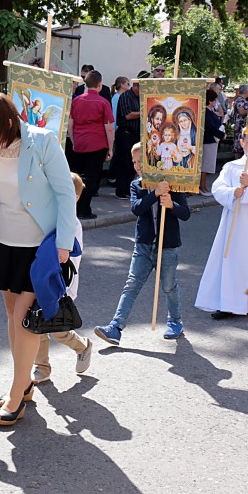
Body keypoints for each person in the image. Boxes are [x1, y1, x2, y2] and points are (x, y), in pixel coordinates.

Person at [0, 92, 78, 425]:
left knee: (23, 319)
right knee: (13, 315)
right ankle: (24, 382)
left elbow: (65, 192)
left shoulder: (43, 142)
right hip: (6, 241)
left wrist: (65, 243)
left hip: (38, 245)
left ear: (8, 123)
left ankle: (17, 395)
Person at [96, 142, 189, 343]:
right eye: (134, 161)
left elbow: (186, 213)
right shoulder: (136, 184)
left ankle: (175, 321)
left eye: (141, 161)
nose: (137, 165)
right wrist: (154, 194)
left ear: (152, 159)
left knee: (169, 286)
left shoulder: (172, 182)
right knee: (132, 284)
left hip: (168, 245)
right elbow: (136, 209)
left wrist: (172, 204)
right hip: (144, 245)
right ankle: (116, 326)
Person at [195, 134, 248, 318]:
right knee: (232, 260)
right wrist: (234, 192)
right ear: (242, 143)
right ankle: (229, 303)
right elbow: (218, 188)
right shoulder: (231, 167)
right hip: (234, 222)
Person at [32, 173, 93, 384]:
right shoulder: (51, 217)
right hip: (43, 279)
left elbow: (71, 259)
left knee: (57, 330)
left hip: (61, 284)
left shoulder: (72, 224)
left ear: (75, 197)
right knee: (38, 324)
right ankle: (42, 366)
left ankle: (83, 346)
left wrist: (61, 284)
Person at [68, 70, 114, 219]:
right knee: (91, 178)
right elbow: (109, 127)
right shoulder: (103, 102)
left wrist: (74, 141)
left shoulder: (76, 101)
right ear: (100, 85)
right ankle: (84, 209)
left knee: (77, 177)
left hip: (79, 143)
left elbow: (70, 124)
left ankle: (74, 208)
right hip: (97, 144)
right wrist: (110, 147)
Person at [113, 74, 143, 199]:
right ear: (136, 86)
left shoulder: (140, 97)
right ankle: (121, 190)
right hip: (126, 134)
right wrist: (144, 111)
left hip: (136, 134)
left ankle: (129, 189)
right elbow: (128, 115)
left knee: (133, 164)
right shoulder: (125, 96)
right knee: (124, 162)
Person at [201, 88, 225, 194]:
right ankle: (202, 186)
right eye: (215, 100)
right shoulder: (206, 111)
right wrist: (222, 135)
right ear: (210, 101)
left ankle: (203, 186)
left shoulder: (210, 111)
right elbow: (210, 127)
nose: (216, 102)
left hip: (212, 141)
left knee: (207, 165)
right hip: (208, 141)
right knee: (205, 165)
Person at [230, 85, 248, 157]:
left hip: (242, 126)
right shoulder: (240, 100)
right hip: (240, 127)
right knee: (239, 146)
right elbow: (241, 111)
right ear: (246, 91)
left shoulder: (243, 100)